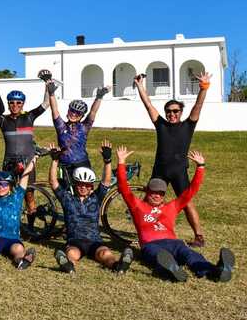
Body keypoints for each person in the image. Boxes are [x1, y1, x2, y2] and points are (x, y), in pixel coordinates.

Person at [114, 145, 235, 283]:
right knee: (158, 255)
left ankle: (215, 271)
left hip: (175, 243)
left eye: (160, 193)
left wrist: (200, 167)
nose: (156, 195)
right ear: (147, 192)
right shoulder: (137, 206)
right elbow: (123, 187)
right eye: (153, 192)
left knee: (190, 254)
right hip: (151, 244)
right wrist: (121, 162)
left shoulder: (171, 206)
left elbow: (191, 191)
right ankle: (170, 269)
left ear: (164, 194)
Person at [134, 72, 211, 247]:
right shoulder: (160, 124)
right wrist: (140, 87)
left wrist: (204, 88)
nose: (172, 114)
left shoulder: (188, 125)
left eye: (176, 111)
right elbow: (148, 105)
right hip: (160, 170)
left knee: (187, 202)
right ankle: (148, 232)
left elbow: (198, 106)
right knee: (148, 202)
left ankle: (199, 236)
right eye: (169, 111)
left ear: (181, 112)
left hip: (178, 172)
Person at [49, 140, 133, 274]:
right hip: (75, 241)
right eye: (80, 184)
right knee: (72, 253)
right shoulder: (67, 199)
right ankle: (68, 265)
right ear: (75, 185)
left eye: (87, 185)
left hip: (94, 241)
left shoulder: (96, 198)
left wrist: (108, 161)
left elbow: (106, 182)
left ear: (91, 187)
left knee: (105, 254)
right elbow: (53, 182)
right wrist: (54, 161)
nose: (83, 187)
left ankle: (118, 265)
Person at [0, 70, 52, 224]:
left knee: (29, 193)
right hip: (9, 161)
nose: (15, 105)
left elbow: (46, 103)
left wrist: (47, 83)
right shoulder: (3, 120)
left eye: (18, 103)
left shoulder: (29, 117)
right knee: (6, 192)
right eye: (12, 102)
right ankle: (8, 222)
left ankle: (31, 226)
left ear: (23, 104)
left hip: (27, 161)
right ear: (8, 104)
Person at [49, 83, 109, 177]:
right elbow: (54, 110)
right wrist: (51, 94)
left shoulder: (84, 127)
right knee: (65, 190)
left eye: (77, 113)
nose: (73, 114)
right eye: (72, 111)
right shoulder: (61, 126)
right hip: (65, 164)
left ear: (81, 116)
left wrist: (99, 97)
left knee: (85, 190)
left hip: (82, 163)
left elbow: (93, 112)